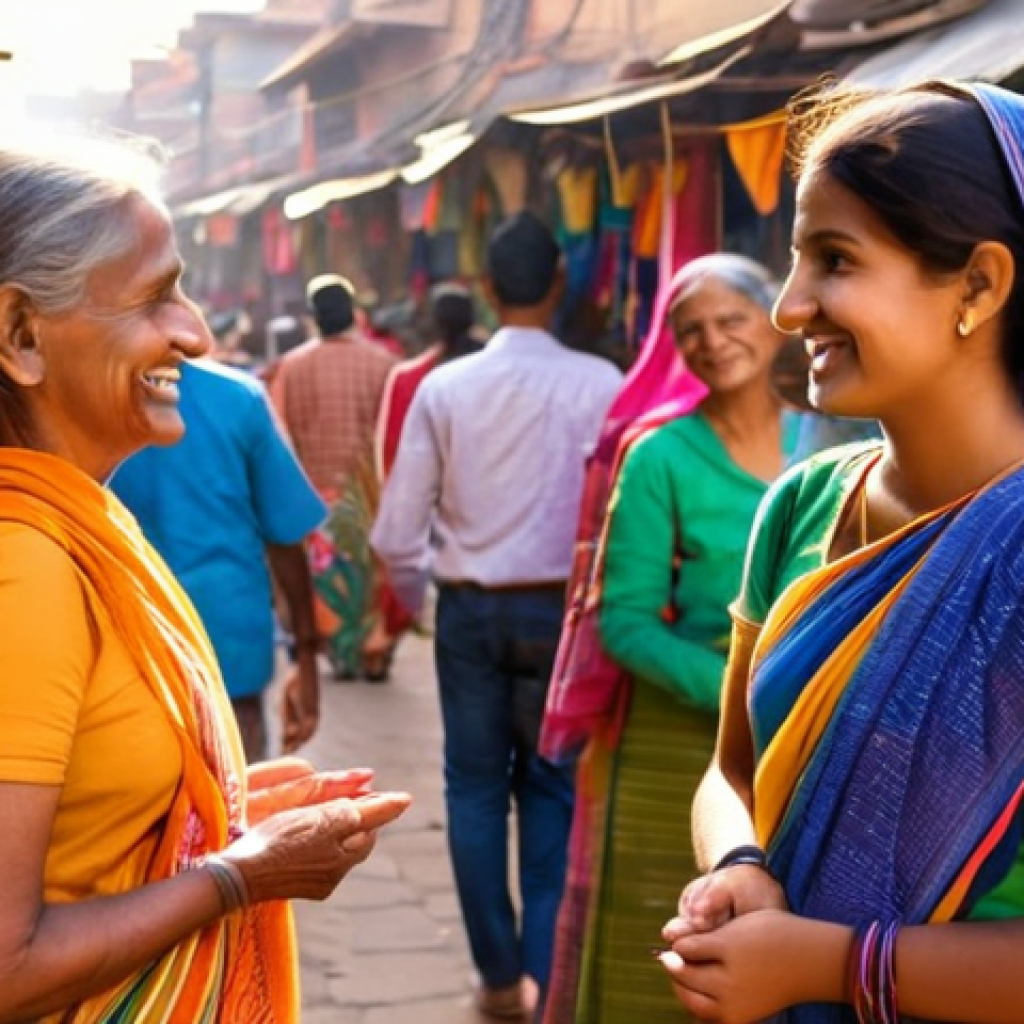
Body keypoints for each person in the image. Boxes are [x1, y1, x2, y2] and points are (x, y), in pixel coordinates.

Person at [0, 136, 410, 1023]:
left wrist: (230, 809)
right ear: (21, 335)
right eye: (155, 297)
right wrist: (242, 872)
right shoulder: (24, 564)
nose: (195, 331)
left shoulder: (75, 523)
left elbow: (84, 832)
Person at [658, 80, 1024, 1023]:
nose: (787, 308)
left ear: (979, 285)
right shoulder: (804, 504)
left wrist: (831, 967)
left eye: (834, 260)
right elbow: (732, 770)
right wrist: (736, 865)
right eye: (794, 260)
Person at [371, 211, 622, 1018]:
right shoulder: (603, 385)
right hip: (563, 618)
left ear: (487, 287)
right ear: (559, 282)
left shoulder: (447, 385)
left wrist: (412, 606)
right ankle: (546, 989)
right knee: (551, 794)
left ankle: (495, 979)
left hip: (471, 616)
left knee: (475, 791)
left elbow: (397, 534)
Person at [545, 255, 796, 1024]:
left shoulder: (840, 437)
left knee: (788, 941)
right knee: (666, 958)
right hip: (678, 747)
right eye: (691, 331)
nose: (713, 341)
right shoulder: (659, 456)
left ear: (774, 321)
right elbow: (622, 620)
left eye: (731, 320)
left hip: (809, 740)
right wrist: (745, 690)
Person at [112, 357, 327, 762]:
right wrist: (306, 657)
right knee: (237, 799)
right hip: (228, 642)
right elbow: (286, 536)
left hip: (128, 648)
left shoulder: (81, 401)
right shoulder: (236, 397)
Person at [270, 274, 397, 681]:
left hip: (314, 494)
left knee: (328, 578)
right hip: (371, 495)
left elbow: (280, 437)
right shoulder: (385, 365)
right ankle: (373, 651)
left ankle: (340, 651)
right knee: (372, 575)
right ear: (353, 315)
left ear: (314, 318)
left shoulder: (292, 367)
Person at [364, 283, 484, 681]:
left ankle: (390, 629)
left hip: (438, 520)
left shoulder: (412, 377)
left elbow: (394, 453)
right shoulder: (504, 376)